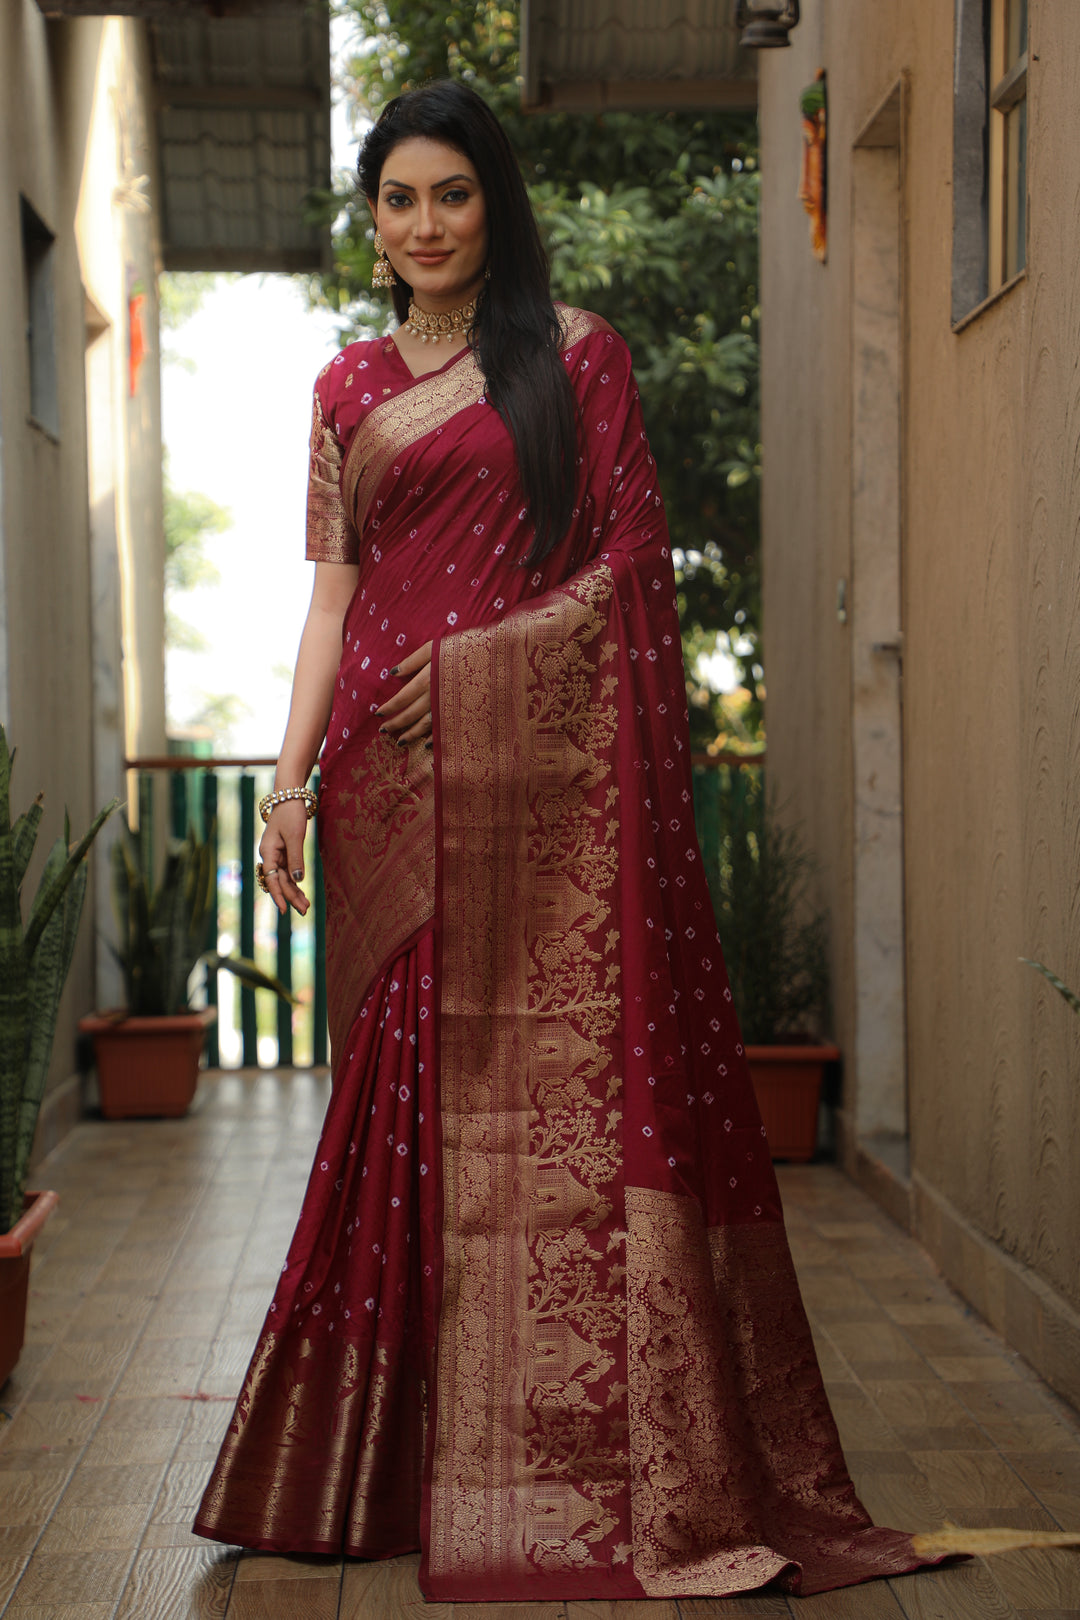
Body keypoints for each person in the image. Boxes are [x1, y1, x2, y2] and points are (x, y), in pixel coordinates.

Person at [193, 79, 938, 1602]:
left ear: (495, 203)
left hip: (542, 795)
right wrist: (284, 786)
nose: (425, 226)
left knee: (562, 1118)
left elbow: (629, 569)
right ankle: (383, 1467)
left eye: (451, 195)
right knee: (401, 1120)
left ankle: (574, 1466)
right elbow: (333, 598)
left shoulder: (574, 358)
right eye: (399, 200)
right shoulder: (342, 390)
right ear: (375, 222)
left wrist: (472, 682)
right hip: (384, 795)